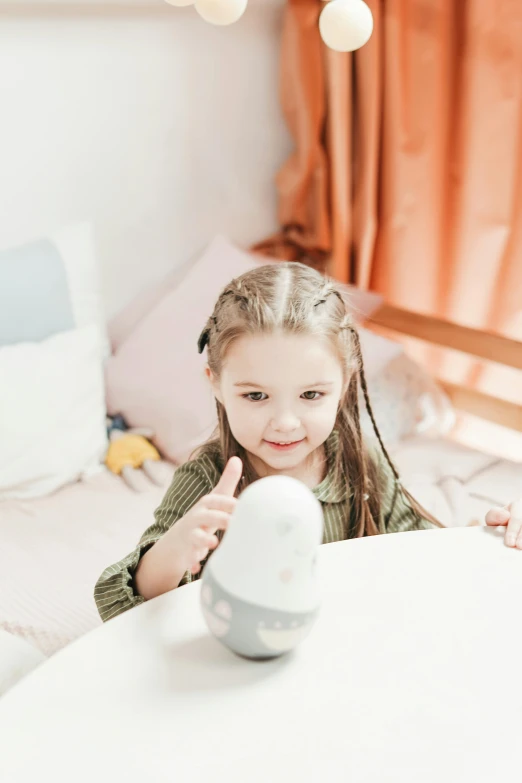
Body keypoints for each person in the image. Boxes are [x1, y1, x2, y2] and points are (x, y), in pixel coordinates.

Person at [94, 263, 522, 623]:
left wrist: (486, 534)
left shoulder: (357, 462)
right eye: (256, 396)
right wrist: (175, 549)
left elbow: (419, 548)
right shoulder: (208, 478)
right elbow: (116, 605)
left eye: (311, 395)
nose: (284, 423)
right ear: (217, 385)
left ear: (345, 383)